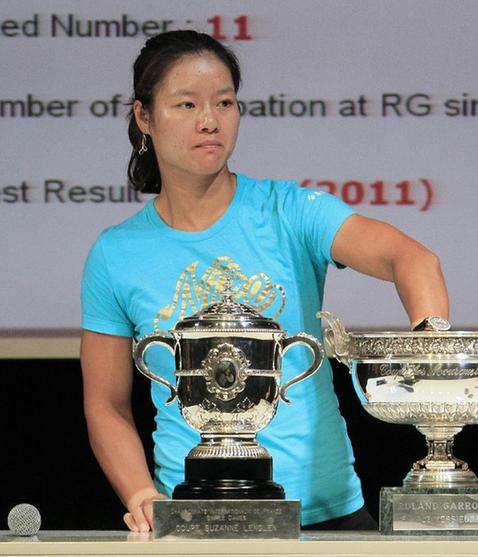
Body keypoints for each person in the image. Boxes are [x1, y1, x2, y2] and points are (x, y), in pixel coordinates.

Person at [80, 30, 449, 533]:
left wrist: (431, 348)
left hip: (326, 518)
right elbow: (106, 404)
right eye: (186, 104)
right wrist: (140, 493)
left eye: (224, 102)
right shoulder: (116, 253)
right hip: (196, 518)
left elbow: (412, 260)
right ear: (144, 116)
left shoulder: (291, 211)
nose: (209, 121)